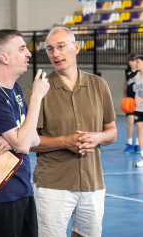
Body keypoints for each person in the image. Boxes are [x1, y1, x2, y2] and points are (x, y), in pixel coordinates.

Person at [25, 26, 117, 237]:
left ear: (76, 47)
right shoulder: (39, 90)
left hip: (92, 183)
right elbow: (28, 142)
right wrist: (65, 141)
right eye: (50, 49)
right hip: (53, 186)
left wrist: (98, 137)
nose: (55, 54)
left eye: (60, 46)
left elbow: (111, 131)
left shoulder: (99, 85)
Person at [0, 29, 49, 237]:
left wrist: (13, 141)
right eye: (22, 49)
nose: (29, 53)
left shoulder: (15, 90)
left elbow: (33, 139)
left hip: (22, 188)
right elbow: (23, 144)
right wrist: (38, 97)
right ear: (4, 57)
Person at [123, 52, 140, 154]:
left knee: (138, 123)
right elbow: (125, 85)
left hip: (139, 101)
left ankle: (137, 144)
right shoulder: (126, 72)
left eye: (132, 61)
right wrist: (124, 97)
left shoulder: (141, 72)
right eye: (129, 61)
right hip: (130, 101)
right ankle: (129, 143)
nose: (131, 63)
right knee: (130, 122)